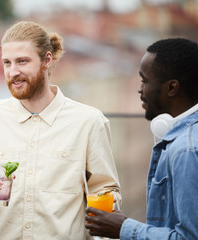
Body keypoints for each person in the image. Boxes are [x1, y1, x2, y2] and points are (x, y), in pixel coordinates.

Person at [0, 20, 121, 239]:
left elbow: (107, 193)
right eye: (7, 62)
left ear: (47, 60)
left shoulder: (89, 122)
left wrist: (104, 202)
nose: (13, 71)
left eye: (22, 61)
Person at [85, 38, 198, 239]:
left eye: (145, 81)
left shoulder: (185, 150)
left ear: (172, 88)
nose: (140, 89)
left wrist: (123, 228)